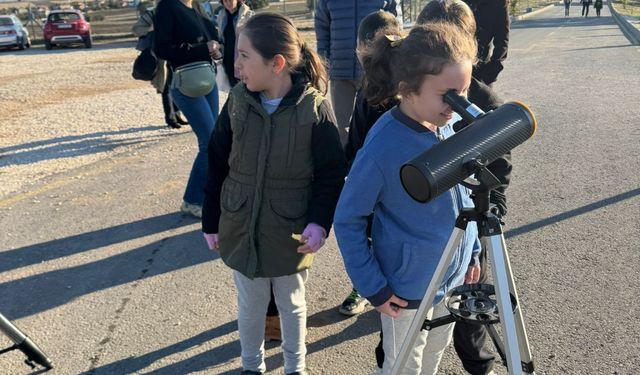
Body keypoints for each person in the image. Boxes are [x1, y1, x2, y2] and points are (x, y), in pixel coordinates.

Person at [201, 13, 347, 375]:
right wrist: (211, 219)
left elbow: (331, 173)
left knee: (292, 304)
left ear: (276, 63)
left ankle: (295, 367)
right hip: (240, 223)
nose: (236, 67)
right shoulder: (237, 101)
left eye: (244, 57)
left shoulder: (314, 108)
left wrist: (319, 222)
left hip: (291, 231)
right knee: (250, 304)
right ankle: (252, 366)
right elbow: (217, 161)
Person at [334, 22, 481, 375]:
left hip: (452, 276)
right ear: (407, 89)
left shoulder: (445, 123)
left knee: (433, 354)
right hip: (406, 290)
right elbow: (348, 217)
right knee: (403, 365)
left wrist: (473, 251)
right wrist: (373, 287)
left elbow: (462, 196)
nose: (459, 104)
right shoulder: (383, 146)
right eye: (449, 95)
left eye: (464, 91)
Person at [337, 11, 402, 318]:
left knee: (370, 231)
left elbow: (358, 143)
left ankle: (368, 286)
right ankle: (373, 286)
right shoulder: (386, 83)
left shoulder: (379, 90)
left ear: (362, 47)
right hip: (402, 182)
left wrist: (348, 170)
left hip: (378, 181)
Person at [153, 0, 223, 218]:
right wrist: (203, 48)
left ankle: (208, 196)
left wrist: (215, 49)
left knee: (214, 141)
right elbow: (162, 49)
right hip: (185, 83)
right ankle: (193, 200)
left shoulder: (197, 7)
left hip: (207, 78)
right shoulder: (168, 6)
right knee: (209, 142)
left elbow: (213, 38)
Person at [314, 0, 401, 146]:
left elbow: (396, 28)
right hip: (341, 70)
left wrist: (390, 60)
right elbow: (322, 29)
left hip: (376, 72)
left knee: (377, 124)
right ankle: (348, 165)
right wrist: (324, 63)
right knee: (342, 128)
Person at [132, 2, 188, 129]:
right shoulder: (151, 14)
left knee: (177, 86)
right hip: (160, 58)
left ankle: (177, 114)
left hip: (175, 54)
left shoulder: (177, 11)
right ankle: (170, 118)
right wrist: (149, 29)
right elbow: (136, 29)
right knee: (166, 88)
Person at [462, 0, 509, 86]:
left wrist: (490, 73)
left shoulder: (498, 3)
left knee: (487, 99)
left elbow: (502, 40)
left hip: (480, 73)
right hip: (453, 70)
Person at [214, 0, 253, 88]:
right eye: (225, 0)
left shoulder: (248, 15)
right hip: (227, 58)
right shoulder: (221, 15)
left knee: (247, 87)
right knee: (234, 88)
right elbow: (221, 37)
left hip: (242, 57)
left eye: (230, 0)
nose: (228, 3)